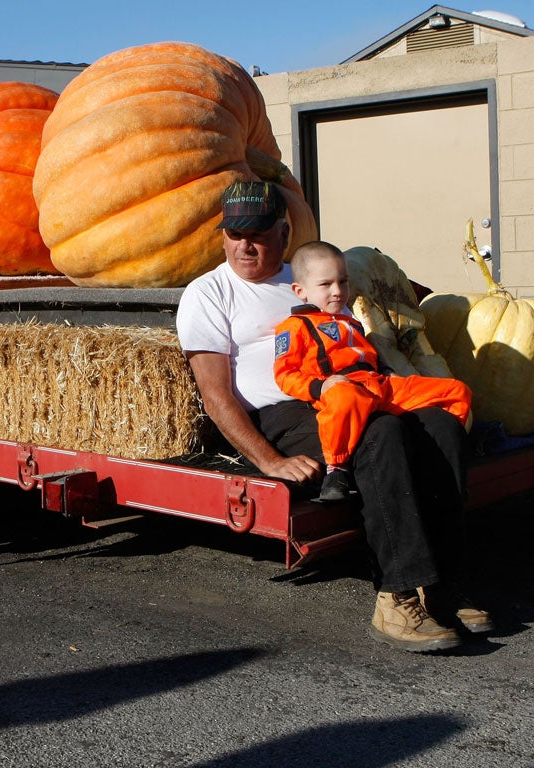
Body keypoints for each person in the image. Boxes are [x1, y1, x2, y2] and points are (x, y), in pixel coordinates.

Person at [176, 180, 492, 653]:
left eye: (258, 232)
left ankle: (446, 582)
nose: (244, 244)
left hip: (355, 393)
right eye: (234, 233)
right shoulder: (209, 293)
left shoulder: (310, 278)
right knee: (380, 434)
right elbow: (216, 394)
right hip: (286, 412)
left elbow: (357, 346)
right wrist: (267, 461)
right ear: (222, 236)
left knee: (442, 424)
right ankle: (396, 594)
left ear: (283, 233)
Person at [274, 241, 472, 503]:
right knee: (346, 400)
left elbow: (369, 358)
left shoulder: (352, 322)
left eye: (343, 282)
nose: (337, 291)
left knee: (455, 390)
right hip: (341, 388)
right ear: (300, 291)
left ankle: (436, 458)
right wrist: (319, 387)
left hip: (377, 384)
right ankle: (337, 469)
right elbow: (285, 373)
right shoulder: (294, 327)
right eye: (325, 285)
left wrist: (388, 373)